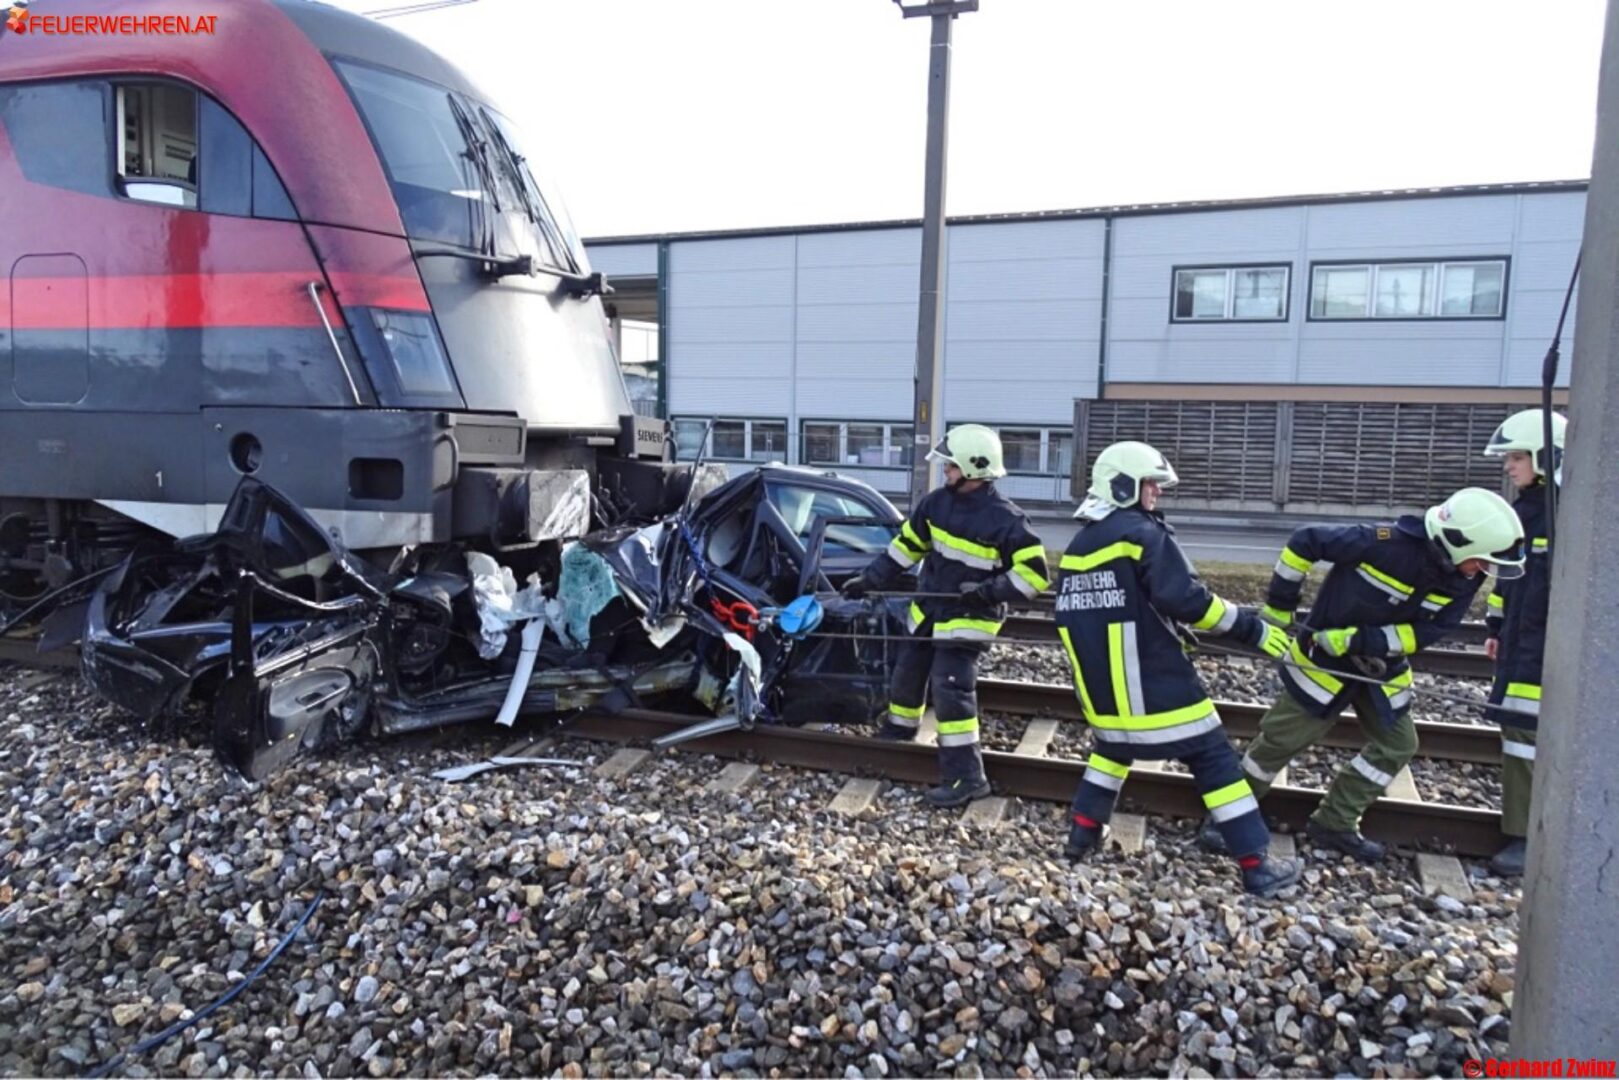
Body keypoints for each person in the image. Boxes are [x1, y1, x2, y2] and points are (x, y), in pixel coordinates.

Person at [1212, 487, 1526, 863]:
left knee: (1398, 745)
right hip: (1322, 665)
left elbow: (1428, 631)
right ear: (1456, 541)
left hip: (1380, 669)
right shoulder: (1383, 543)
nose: (1482, 571)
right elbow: (1305, 541)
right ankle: (1229, 820)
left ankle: (1335, 821)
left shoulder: (1463, 580)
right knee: (1280, 741)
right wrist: (1280, 606)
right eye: (1480, 561)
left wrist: (1360, 640)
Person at [1054, 441, 1301, 897]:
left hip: (1103, 696)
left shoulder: (1080, 544)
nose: (1158, 493)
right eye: (1151, 484)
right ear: (1125, 486)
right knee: (1214, 758)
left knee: (1111, 751)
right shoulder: (1141, 533)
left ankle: (1080, 840)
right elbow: (1186, 599)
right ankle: (1257, 865)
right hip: (1154, 684)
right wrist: (1252, 629)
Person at [842, 424, 1050, 808]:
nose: (945, 471)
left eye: (951, 466)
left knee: (950, 690)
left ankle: (967, 778)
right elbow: (908, 546)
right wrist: (869, 580)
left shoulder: (1008, 520)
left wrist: (988, 592)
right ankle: (901, 729)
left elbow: (1035, 575)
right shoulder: (936, 504)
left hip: (969, 620)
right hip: (929, 611)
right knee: (907, 671)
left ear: (973, 468)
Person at [1480, 409, 1566, 876]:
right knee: (1517, 731)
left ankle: (1526, 839)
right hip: (1520, 643)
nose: (1509, 466)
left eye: (1517, 457)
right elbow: (1508, 581)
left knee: (1523, 735)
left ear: (1546, 458)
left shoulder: (1564, 514)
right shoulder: (1530, 512)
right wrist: (1494, 629)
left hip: (1542, 648)